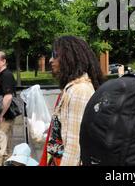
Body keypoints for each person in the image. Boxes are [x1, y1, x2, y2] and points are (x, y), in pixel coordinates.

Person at [40, 35, 104, 166]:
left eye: (55, 55)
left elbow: (74, 146)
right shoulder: (72, 88)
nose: (51, 60)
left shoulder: (79, 91)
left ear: (69, 58)